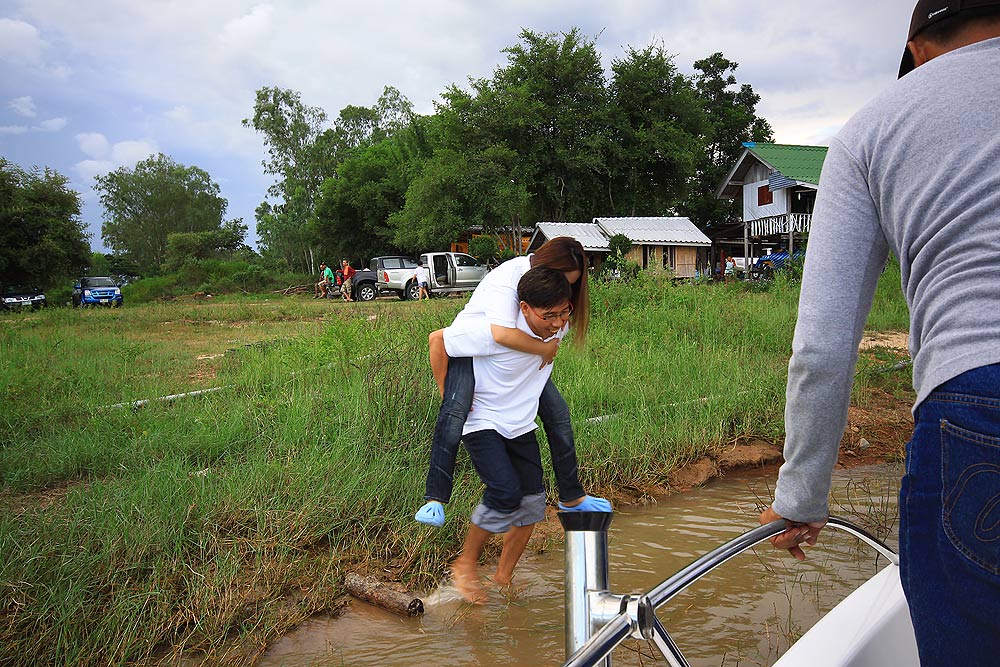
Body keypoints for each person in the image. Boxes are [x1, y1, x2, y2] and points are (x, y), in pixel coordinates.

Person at [757, 2, 1000, 664]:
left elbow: (823, 349)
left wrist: (801, 495)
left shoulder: (871, 130)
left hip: (975, 398)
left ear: (918, 50)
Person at [414, 237, 609, 529]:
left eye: (570, 288)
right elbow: (498, 336)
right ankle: (435, 499)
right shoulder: (508, 283)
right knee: (455, 414)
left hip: (514, 358)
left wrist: (547, 342)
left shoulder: (551, 314)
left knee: (558, 416)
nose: (565, 294)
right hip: (472, 351)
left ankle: (571, 496)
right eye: (562, 282)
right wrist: (449, 395)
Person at [448, 267, 576, 603]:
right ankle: (465, 563)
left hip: (520, 424)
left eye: (564, 313)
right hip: (483, 421)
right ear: (524, 309)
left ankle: (502, 578)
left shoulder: (558, 326)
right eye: (549, 315)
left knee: (533, 504)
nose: (557, 323)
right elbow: (437, 341)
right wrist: (454, 402)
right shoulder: (492, 333)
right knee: (505, 491)